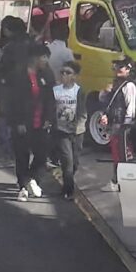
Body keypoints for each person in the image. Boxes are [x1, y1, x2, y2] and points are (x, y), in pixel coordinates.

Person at [7, 44, 56, 202]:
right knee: (22, 155)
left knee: (41, 155)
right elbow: (13, 101)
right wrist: (18, 121)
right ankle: (22, 186)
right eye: (43, 57)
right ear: (34, 57)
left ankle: (32, 178)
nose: (46, 60)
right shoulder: (18, 75)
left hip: (40, 122)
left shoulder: (47, 75)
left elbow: (50, 98)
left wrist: (49, 118)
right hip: (22, 123)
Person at [99, 57, 136, 192]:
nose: (117, 69)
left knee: (122, 154)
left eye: (121, 66)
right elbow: (106, 101)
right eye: (116, 66)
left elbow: (130, 106)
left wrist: (126, 124)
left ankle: (118, 181)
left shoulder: (129, 86)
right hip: (115, 124)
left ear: (128, 69)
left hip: (122, 125)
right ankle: (118, 180)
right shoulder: (115, 84)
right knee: (117, 153)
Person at [53, 61, 87, 200]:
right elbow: (51, 108)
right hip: (61, 130)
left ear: (75, 76)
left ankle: (66, 185)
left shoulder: (79, 91)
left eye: (68, 73)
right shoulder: (56, 90)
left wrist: (78, 124)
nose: (64, 75)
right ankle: (69, 190)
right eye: (62, 72)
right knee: (67, 161)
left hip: (77, 131)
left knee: (75, 162)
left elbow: (82, 111)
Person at [0, 16, 18, 163]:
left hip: (0, 85)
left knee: (3, 117)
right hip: (17, 86)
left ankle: (6, 148)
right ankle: (13, 148)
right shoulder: (21, 45)